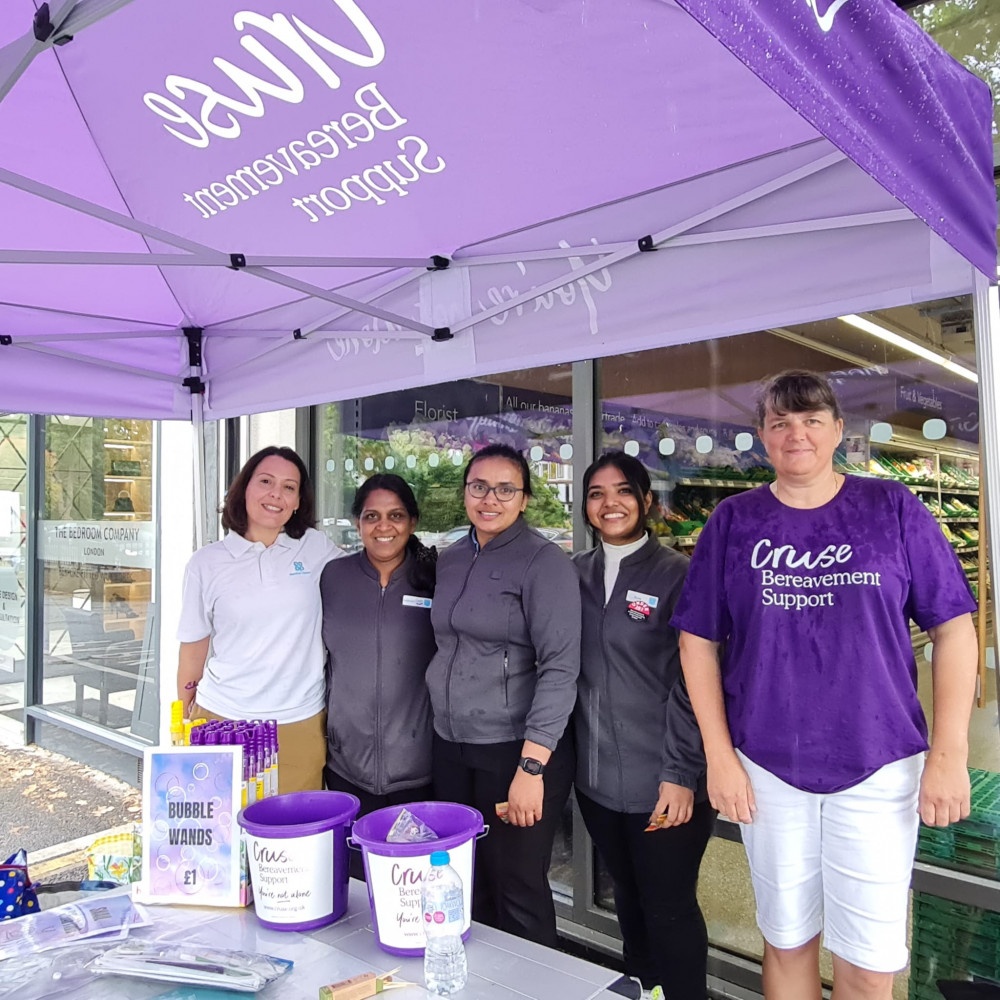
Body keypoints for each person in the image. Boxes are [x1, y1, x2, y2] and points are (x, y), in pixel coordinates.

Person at [672, 370, 978, 1000]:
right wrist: (720, 757)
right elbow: (696, 642)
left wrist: (949, 753)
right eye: (780, 422)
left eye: (812, 419)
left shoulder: (892, 508)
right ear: (761, 437)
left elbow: (955, 629)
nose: (796, 434)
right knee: (786, 942)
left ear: (839, 430)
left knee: (868, 963)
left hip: (878, 762)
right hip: (766, 766)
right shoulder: (734, 521)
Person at [426, 443, 581, 947]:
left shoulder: (543, 562)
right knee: (464, 886)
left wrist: (531, 769)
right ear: (464, 491)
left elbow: (561, 667)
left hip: (514, 751)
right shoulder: (449, 559)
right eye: (479, 486)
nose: (490, 499)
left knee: (518, 891)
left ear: (525, 498)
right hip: (451, 746)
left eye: (505, 489)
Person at [574, 452, 714, 1000]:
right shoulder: (574, 574)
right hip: (598, 784)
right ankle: (645, 991)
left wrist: (681, 773)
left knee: (670, 907)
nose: (610, 504)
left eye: (623, 491)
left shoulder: (678, 575)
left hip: (666, 783)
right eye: (596, 494)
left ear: (647, 501)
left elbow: (694, 683)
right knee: (629, 900)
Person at [177, 446, 343, 793]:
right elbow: (192, 651)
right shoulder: (206, 563)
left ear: (299, 501)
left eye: (289, 487)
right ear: (245, 488)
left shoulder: (316, 549)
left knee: (293, 839)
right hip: (222, 717)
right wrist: (182, 721)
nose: (275, 495)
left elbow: (369, 573)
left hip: (299, 721)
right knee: (223, 836)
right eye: (265, 481)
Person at [320, 474, 437, 876]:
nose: (383, 527)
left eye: (395, 515)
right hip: (346, 768)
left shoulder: (437, 579)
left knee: (411, 885)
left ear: (413, 522)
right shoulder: (333, 578)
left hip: (418, 768)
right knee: (353, 883)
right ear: (357, 523)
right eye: (372, 516)